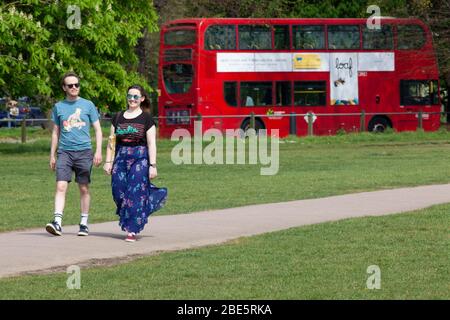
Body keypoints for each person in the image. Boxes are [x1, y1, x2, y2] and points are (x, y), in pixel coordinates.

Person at [103, 85, 167, 242]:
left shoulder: (146, 119)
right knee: (118, 190)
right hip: (120, 157)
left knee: (134, 193)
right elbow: (111, 141)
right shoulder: (118, 117)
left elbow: (152, 143)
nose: (132, 99)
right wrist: (108, 161)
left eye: (136, 97)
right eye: (130, 96)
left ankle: (131, 229)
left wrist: (153, 165)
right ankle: (144, 201)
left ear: (142, 99)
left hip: (140, 158)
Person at [46, 72, 103, 236]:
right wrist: (52, 154)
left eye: (76, 85)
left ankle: (84, 223)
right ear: (64, 88)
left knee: (84, 188)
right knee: (61, 185)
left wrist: (98, 151)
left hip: (84, 152)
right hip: (65, 152)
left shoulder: (88, 105)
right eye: (70, 85)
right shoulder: (59, 107)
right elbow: (56, 132)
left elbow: (98, 130)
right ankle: (57, 222)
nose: (74, 88)